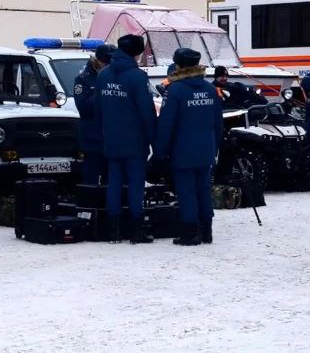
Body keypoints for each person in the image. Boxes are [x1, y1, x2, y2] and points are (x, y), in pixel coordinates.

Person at [154, 48, 223, 246]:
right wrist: (214, 146)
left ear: (179, 66)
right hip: (206, 149)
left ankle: (190, 232)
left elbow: (167, 124)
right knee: (203, 189)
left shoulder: (175, 90)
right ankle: (206, 230)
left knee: (186, 191)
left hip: (182, 150)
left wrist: (160, 151)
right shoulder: (210, 89)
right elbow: (218, 123)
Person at [97, 34, 158, 243]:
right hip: (134, 140)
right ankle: (136, 231)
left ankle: (113, 230)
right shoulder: (137, 77)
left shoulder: (103, 75)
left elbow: (99, 108)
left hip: (111, 138)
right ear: (136, 52)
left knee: (114, 183)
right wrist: (153, 140)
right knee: (135, 185)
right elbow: (146, 112)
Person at [73, 43, 115, 186]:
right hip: (93, 138)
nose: (107, 65)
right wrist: (101, 88)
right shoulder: (83, 79)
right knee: (90, 178)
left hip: (111, 138)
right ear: (97, 60)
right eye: (105, 62)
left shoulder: (117, 77)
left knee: (111, 180)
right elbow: (84, 107)